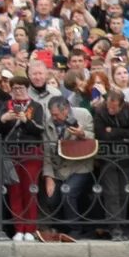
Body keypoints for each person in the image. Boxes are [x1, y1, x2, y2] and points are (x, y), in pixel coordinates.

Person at [0, 76, 46, 241]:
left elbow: (39, 129)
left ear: (27, 89)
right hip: (11, 153)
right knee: (14, 191)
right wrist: (4, 119)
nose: (18, 92)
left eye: (21, 88)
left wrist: (26, 120)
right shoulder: (6, 106)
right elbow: (0, 130)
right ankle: (19, 228)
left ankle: (30, 228)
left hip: (31, 153)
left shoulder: (35, 106)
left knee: (30, 190)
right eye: (15, 88)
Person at [92, 89, 129, 241]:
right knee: (111, 192)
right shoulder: (101, 110)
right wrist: (122, 133)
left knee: (124, 192)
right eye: (109, 106)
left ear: (121, 106)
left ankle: (122, 225)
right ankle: (114, 227)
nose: (111, 110)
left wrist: (113, 131)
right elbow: (100, 133)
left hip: (126, 156)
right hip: (107, 156)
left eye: (114, 108)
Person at [42, 96, 95, 238]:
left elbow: (95, 137)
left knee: (68, 192)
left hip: (80, 165)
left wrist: (82, 134)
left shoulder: (83, 114)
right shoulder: (49, 123)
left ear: (65, 110)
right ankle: (60, 228)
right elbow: (47, 151)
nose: (53, 117)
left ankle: (75, 230)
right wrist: (49, 177)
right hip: (59, 168)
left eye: (56, 114)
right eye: (51, 114)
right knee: (51, 197)